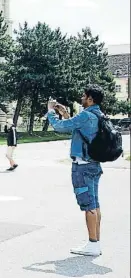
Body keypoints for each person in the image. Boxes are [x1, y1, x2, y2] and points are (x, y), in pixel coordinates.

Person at [47, 84, 104, 256]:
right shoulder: (98, 114)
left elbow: (60, 127)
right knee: (95, 204)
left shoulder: (86, 115)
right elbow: (78, 128)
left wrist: (51, 111)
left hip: (83, 166)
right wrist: (65, 114)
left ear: (90, 99)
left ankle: (92, 244)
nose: (81, 98)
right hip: (94, 164)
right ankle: (96, 242)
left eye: (83, 95)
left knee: (88, 205)